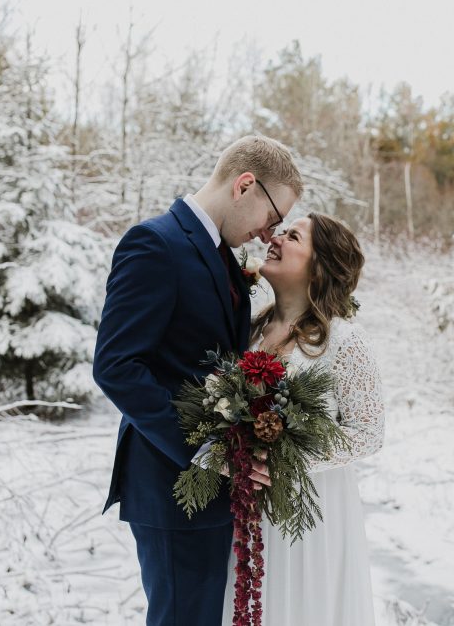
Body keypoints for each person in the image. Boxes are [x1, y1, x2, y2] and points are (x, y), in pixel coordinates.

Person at [92, 135, 302, 626]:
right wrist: (209, 450)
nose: (267, 233)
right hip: (171, 484)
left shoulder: (223, 256)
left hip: (213, 493)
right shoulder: (155, 244)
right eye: (273, 217)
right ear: (244, 185)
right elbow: (117, 366)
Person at [221, 213, 385, 625]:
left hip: (309, 517)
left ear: (318, 268)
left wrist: (284, 459)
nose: (275, 238)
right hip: (246, 513)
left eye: (292, 236)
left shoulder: (343, 341)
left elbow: (368, 433)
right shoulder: (251, 329)